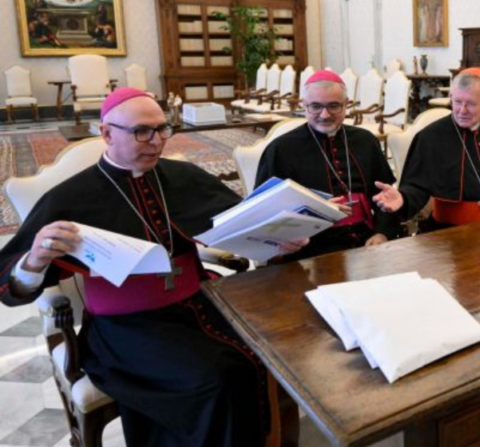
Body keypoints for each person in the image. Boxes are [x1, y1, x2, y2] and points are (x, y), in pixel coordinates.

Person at [0, 88, 306, 447]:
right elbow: (10, 285)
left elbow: (240, 224)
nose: (157, 141)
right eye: (142, 131)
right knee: (210, 380)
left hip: (198, 305)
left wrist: (278, 238)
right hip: (126, 327)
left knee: (267, 355)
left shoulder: (186, 177)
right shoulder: (69, 197)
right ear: (107, 133)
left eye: (162, 129)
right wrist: (34, 260)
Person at [373, 68, 480, 231]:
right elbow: (416, 187)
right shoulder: (430, 137)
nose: (462, 111)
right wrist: (403, 199)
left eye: (470, 104)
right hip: (449, 233)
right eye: (457, 102)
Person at [256, 70, 401, 260]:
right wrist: (314, 211)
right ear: (304, 105)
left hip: (368, 243)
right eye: (315, 106)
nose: (325, 115)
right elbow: (265, 210)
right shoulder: (280, 149)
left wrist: (382, 233)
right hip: (309, 250)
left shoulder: (365, 141)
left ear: (346, 104)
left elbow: (385, 197)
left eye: (334, 106)